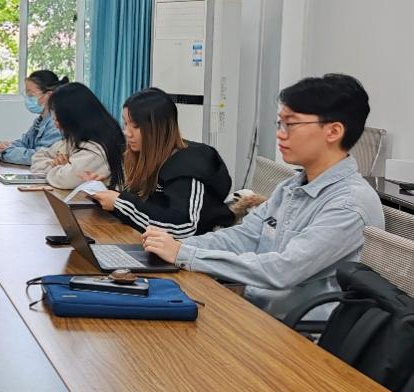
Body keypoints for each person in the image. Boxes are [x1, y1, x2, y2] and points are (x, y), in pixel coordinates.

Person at [142, 74, 385, 320]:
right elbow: (243, 237)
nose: (280, 134)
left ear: (333, 131)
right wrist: (177, 247)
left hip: (299, 331)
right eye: (280, 124)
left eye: (291, 125)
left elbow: (283, 270)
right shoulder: (290, 187)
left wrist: (186, 255)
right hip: (255, 311)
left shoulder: (349, 204)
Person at [91, 87, 233, 238]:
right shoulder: (146, 157)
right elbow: (142, 207)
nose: (127, 132)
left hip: (193, 249)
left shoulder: (189, 165)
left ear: (157, 128)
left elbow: (184, 227)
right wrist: (105, 193)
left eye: (136, 126)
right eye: (125, 124)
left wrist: (120, 203)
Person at [31, 82, 125, 191]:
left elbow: (65, 180)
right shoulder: (74, 140)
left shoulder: (97, 148)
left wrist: (58, 168)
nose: (56, 124)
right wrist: (60, 168)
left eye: (58, 118)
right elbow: (37, 158)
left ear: (73, 117)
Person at [0, 70, 65, 165]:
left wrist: (8, 152)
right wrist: (8, 145)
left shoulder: (56, 124)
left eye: (31, 95)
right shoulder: (40, 120)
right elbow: (26, 143)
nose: (27, 99)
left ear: (48, 95)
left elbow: (40, 157)